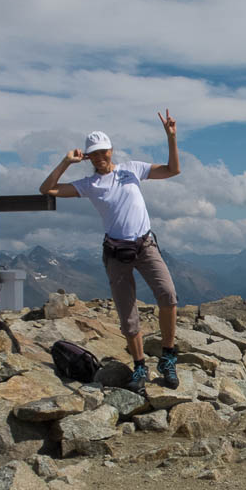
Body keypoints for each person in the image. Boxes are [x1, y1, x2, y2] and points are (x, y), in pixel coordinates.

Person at [40, 111, 180, 392]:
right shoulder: (89, 184)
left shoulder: (132, 169)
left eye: (103, 151)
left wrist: (171, 138)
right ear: (88, 157)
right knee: (127, 313)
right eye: (93, 154)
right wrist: (66, 161)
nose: (99, 157)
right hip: (116, 253)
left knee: (168, 295)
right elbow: (47, 189)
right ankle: (140, 366)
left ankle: (168, 357)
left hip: (145, 245)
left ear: (111, 150)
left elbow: (172, 170)